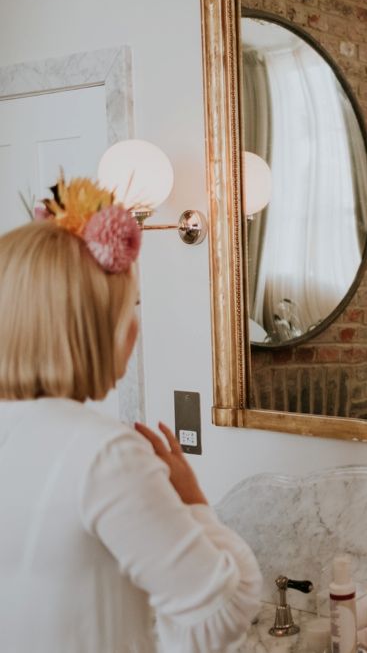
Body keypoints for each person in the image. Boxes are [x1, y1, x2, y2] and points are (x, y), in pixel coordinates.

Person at [0, 176, 262, 652]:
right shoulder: (105, 455)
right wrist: (192, 499)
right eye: (130, 308)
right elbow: (222, 611)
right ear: (93, 330)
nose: (137, 326)